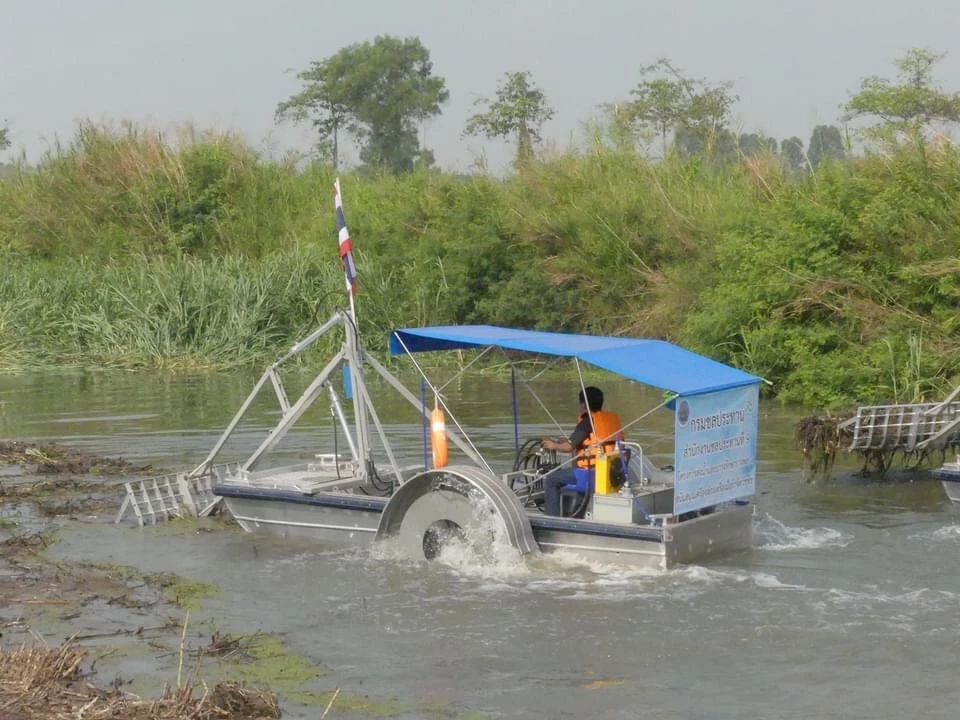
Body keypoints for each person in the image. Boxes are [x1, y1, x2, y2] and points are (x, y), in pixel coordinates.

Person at [540, 386, 624, 517]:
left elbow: (569, 447)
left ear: (583, 404)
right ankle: (577, 516)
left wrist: (553, 446)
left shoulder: (587, 422)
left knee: (551, 480)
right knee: (576, 478)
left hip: (591, 474)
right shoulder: (610, 419)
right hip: (611, 473)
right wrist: (559, 442)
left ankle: (552, 519)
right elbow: (583, 441)